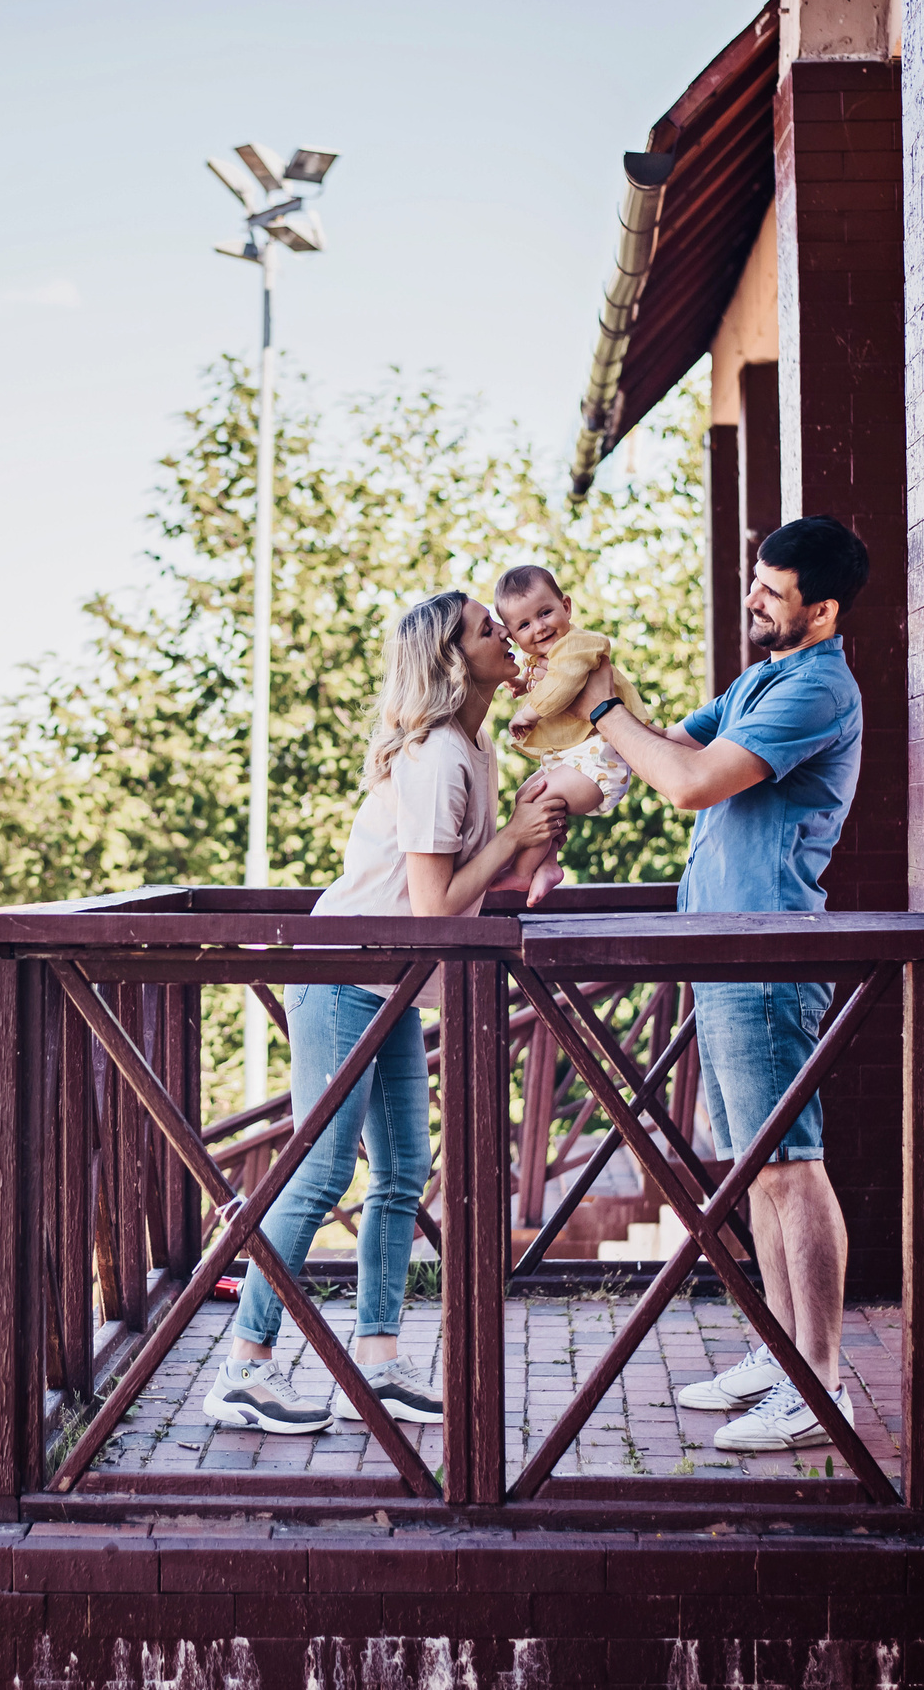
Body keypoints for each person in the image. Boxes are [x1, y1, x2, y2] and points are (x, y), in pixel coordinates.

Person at [205, 590, 572, 1434]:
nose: (510, 635)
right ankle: (243, 1369)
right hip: (342, 974)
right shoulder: (439, 754)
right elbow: (432, 907)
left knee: (404, 1171)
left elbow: (471, 883)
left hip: (393, 983)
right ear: (455, 659)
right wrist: (514, 839)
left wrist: (534, 847)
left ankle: (377, 1362)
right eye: (492, 629)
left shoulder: (474, 748)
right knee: (324, 1170)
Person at [572, 514, 870, 1454]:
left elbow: (693, 781)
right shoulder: (761, 678)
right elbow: (653, 744)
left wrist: (598, 707)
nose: (753, 599)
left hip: (768, 958)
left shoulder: (817, 690)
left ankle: (819, 1387)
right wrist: (561, 773)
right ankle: (778, 1351)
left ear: (820, 610)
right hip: (726, 951)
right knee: (756, 1168)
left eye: (772, 591)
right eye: (754, 579)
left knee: (793, 1168)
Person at [494, 564, 647, 904]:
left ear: (566, 606)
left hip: (601, 759)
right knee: (525, 797)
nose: (539, 627)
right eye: (524, 625)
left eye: (545, 612)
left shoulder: (577, 645)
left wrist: (529, 713)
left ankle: (522, 872)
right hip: (578, 758)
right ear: (513, 635)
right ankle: (548, 863)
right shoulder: (542, 657)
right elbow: (546, 680)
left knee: (539, 800)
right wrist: (522, 684)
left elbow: (563, 685)